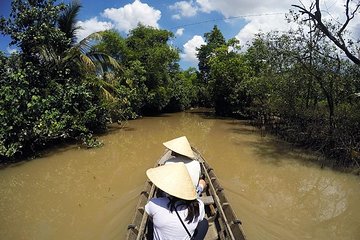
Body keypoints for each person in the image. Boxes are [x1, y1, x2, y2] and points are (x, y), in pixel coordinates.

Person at [145, 163, 208, 240]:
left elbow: (152, 218)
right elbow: (200, 219)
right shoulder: (199, 205)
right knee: (204, 223)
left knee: (151, 221)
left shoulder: (154, 203)